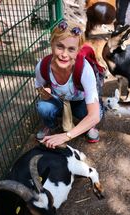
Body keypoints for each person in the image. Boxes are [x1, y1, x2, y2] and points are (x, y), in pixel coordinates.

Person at [34, 20, 103, 149]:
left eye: (71, 49)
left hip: (80, 101)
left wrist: (66, 136)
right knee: (43, 107)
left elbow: (94, 115)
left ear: (78, 51)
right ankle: (51, 125)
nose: (64, 54)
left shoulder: (84, 69)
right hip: (59, 100)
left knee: (95, 114)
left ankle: (86, 127)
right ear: (51, 44)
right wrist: (45, 92)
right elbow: (39, 86)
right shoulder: (42, 66)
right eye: (59, 46)